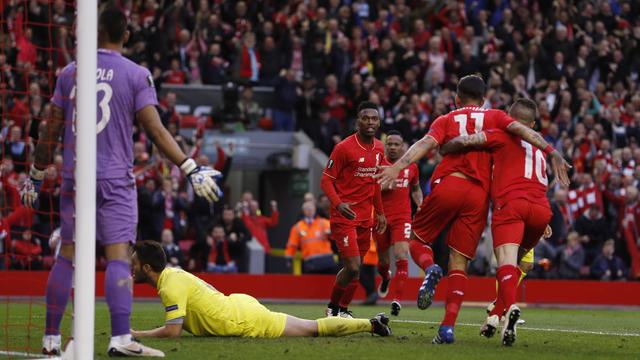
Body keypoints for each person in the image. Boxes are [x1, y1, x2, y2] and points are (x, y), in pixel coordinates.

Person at [21, 8, 221, 357]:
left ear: (92, 33)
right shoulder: (135, 73)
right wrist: (190, 168)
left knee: (66, 256)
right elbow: (155, 131)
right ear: (126, 35)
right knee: (117, 255)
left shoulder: (69, 72)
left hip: (74, 176)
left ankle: (50, 340)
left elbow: (50, 130)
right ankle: (120, 339)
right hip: (114, 178)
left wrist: (36, 176)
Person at [374, 75, 570, 344]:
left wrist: (398, 165)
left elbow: (425, 144)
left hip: (450, 184)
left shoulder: (445, 120)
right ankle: (447, 329)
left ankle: (430, 268)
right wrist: (552, 151)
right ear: (484, 99)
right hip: (479, 196)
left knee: (416, 240)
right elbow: (525, 132)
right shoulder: (496, 117)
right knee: (460, 263)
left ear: (456, 98)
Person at [440, 98, 554, 346]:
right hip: (541, 209)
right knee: (519, 267)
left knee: (505, 264)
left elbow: (468, 140)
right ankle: (494, 315)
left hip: (511, 205)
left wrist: (447, 146)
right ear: (533, 124)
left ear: (509, 118)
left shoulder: (501, 136)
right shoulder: (540, 148)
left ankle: (510, 307)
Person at [130, 241, 391, 339]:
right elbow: (203, 293)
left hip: (243, 319)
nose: (130, 269)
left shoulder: (170, 285)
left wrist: (135, 334)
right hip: (236, 305)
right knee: (308, 327)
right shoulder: (173, 276)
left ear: (147, 267)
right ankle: (370, 324)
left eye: (134, 264)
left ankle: (371, 324)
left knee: (312, 328)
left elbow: (172, 331)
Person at [321, 101, 387, 318]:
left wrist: (379, 211)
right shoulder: (343, 148)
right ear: (357, 121)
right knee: (353, 266)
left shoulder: (379, 147)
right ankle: (332, 307)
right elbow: (326, 181)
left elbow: (375, 182)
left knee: (356, 270)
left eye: (374, 118)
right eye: (366, 118)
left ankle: (343, 310)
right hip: (344, 216)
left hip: (365, 219)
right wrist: (338, 204)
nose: (370, 122)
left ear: (378, 122)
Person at [374, 130, 422, 316]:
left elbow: (416, 189)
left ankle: (397, 300)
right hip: (381, 218)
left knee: (402, 255)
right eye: (390, 144)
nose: (393, 147)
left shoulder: (412, 167)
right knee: (383, 261)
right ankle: (385, 277)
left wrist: (421, 204)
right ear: (385, 145)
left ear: (403, 146)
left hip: (403, 218)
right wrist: (384, 185)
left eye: (397, 144)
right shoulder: (378, 165)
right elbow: (368, 189)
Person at [285, 201, 336, 274]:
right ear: (303, 211)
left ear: (315, 209)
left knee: (329, 283)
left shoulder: (323, 222)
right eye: (307, 209)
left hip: (326, 261)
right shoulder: (297, 227)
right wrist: (289, 258)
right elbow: (292, 244)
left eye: (311, 209)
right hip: (310, 262)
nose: (310, 211)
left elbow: (336, 235)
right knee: (312, 284)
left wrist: (331, 233)